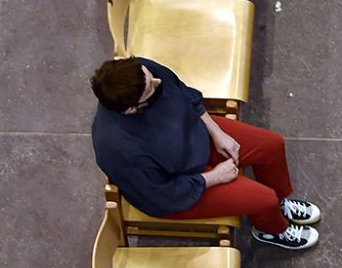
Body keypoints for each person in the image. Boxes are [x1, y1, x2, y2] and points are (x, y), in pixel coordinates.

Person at [90, 57, 320, 250]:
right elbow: (162, 195)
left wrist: (217, 132)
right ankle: (272, 230)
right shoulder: (119, 148)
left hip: (197, 137)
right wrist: (215, 177)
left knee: (272, 145)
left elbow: (186, 95)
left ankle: (279, 205)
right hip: (179, 187)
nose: (157, 81)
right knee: (263, 199)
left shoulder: (141, 72)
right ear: (130, 109)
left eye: (150, 75)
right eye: (150, 87)